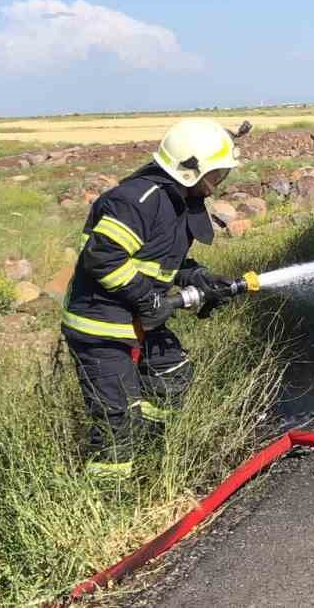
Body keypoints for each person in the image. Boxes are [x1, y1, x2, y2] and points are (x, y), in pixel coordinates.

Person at [60, 119, 240, 478]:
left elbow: (163, 260)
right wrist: (147, 299)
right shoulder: (136, 201)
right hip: (102, 327)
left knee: (173, 378)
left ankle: (155, 456)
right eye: (217, 174)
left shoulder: (178, 200)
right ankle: (108, 496)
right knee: (117, 419)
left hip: (141, 318)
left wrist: (201, 277)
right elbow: (103, 257)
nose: (219, 182)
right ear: (192, 169)